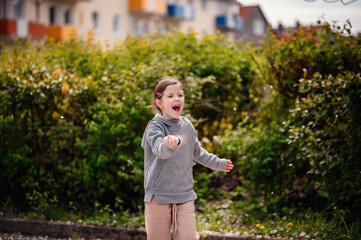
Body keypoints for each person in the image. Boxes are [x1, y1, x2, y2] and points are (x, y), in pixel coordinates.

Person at [141, 76, 234, 240]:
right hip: (159, 195)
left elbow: (198, 152)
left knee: (189, 237)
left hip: (184, 194)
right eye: (170, 96)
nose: (177, 99)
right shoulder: (155, 126)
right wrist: (169, 145)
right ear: (159, 102)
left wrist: (218, 163)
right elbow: (159, 151)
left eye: (180, 95)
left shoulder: (187, 126)